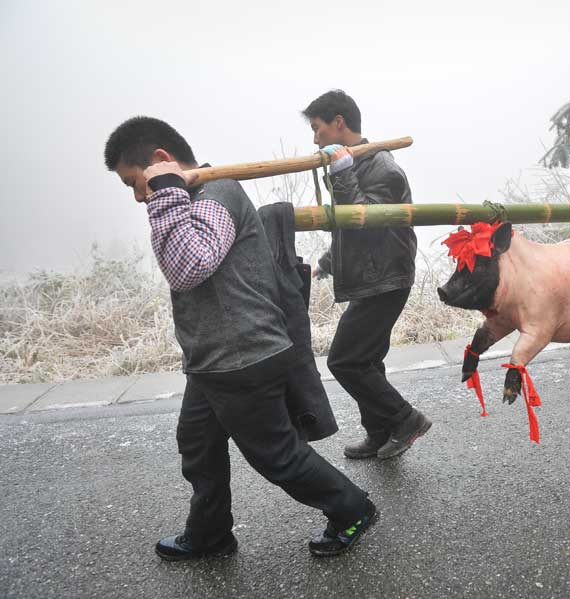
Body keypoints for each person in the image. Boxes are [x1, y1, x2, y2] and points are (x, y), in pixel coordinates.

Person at [104, 116, 376, 560]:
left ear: (160, 161)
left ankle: (352, 509)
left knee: (278, 456)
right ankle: (210, 534)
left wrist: (167, 191)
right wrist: (172, 195)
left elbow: (189, 265)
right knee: (198, 446)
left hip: (242, 356)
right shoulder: (192, 198)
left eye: (136, 182)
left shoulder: (218, 193)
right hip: (212, 360)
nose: (139, 196)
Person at [303, 90, 431, 460]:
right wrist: (327, 263)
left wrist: (342, 174)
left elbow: (364, 222)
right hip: (371, 276)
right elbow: (347, 228)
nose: (315, 140)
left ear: (339, 123)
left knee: (345, 360)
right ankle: (379, 432)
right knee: (368, 360)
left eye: (318, 128)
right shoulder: (357, 165)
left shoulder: (383, 169)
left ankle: (407, 420)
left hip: (386, 278)